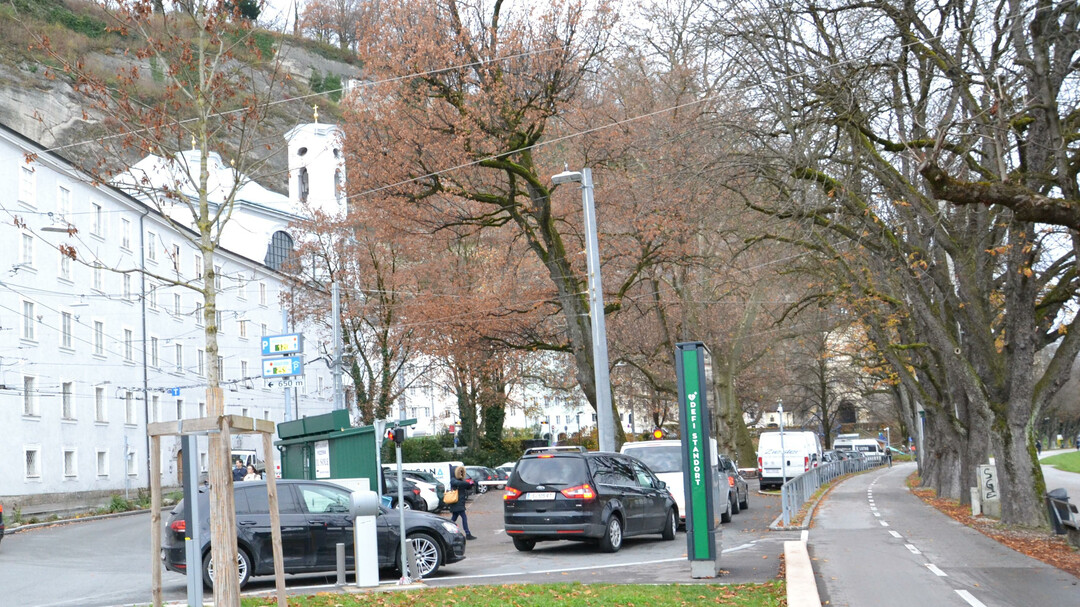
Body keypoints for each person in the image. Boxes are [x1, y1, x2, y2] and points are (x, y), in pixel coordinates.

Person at [449, 466, 476, 540]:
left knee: (453, 519)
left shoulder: (460, 480)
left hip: (459, 502)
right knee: (463, 518)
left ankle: (447, 531)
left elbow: (467, 486)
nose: (461, 474)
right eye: (460, 472)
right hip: (456, 502)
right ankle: (468, 533)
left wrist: (471, 483)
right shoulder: (453, 480)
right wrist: (468, 483)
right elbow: (460, 484)